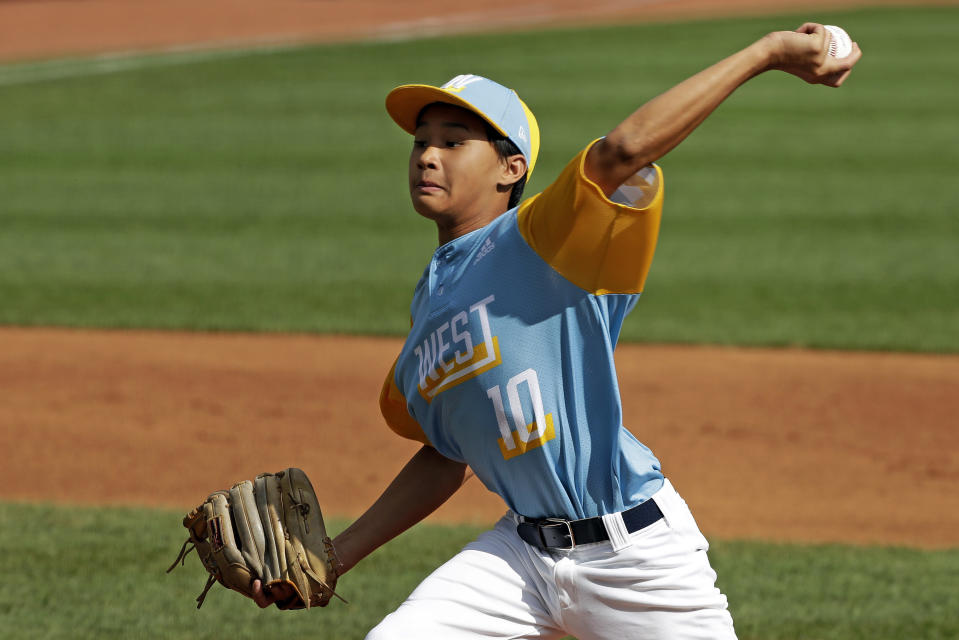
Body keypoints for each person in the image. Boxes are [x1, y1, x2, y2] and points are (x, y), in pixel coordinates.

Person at [252, 22, 861, 639]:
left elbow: (622, 151)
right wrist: (335, 556)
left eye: (454, 141)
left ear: (510, 169)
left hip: (637, 557)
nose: (428, 155)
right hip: (522, 558)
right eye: (421, 142)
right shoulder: (433, 297)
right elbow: (446, 453)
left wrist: (770, 53)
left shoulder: (544, 237)